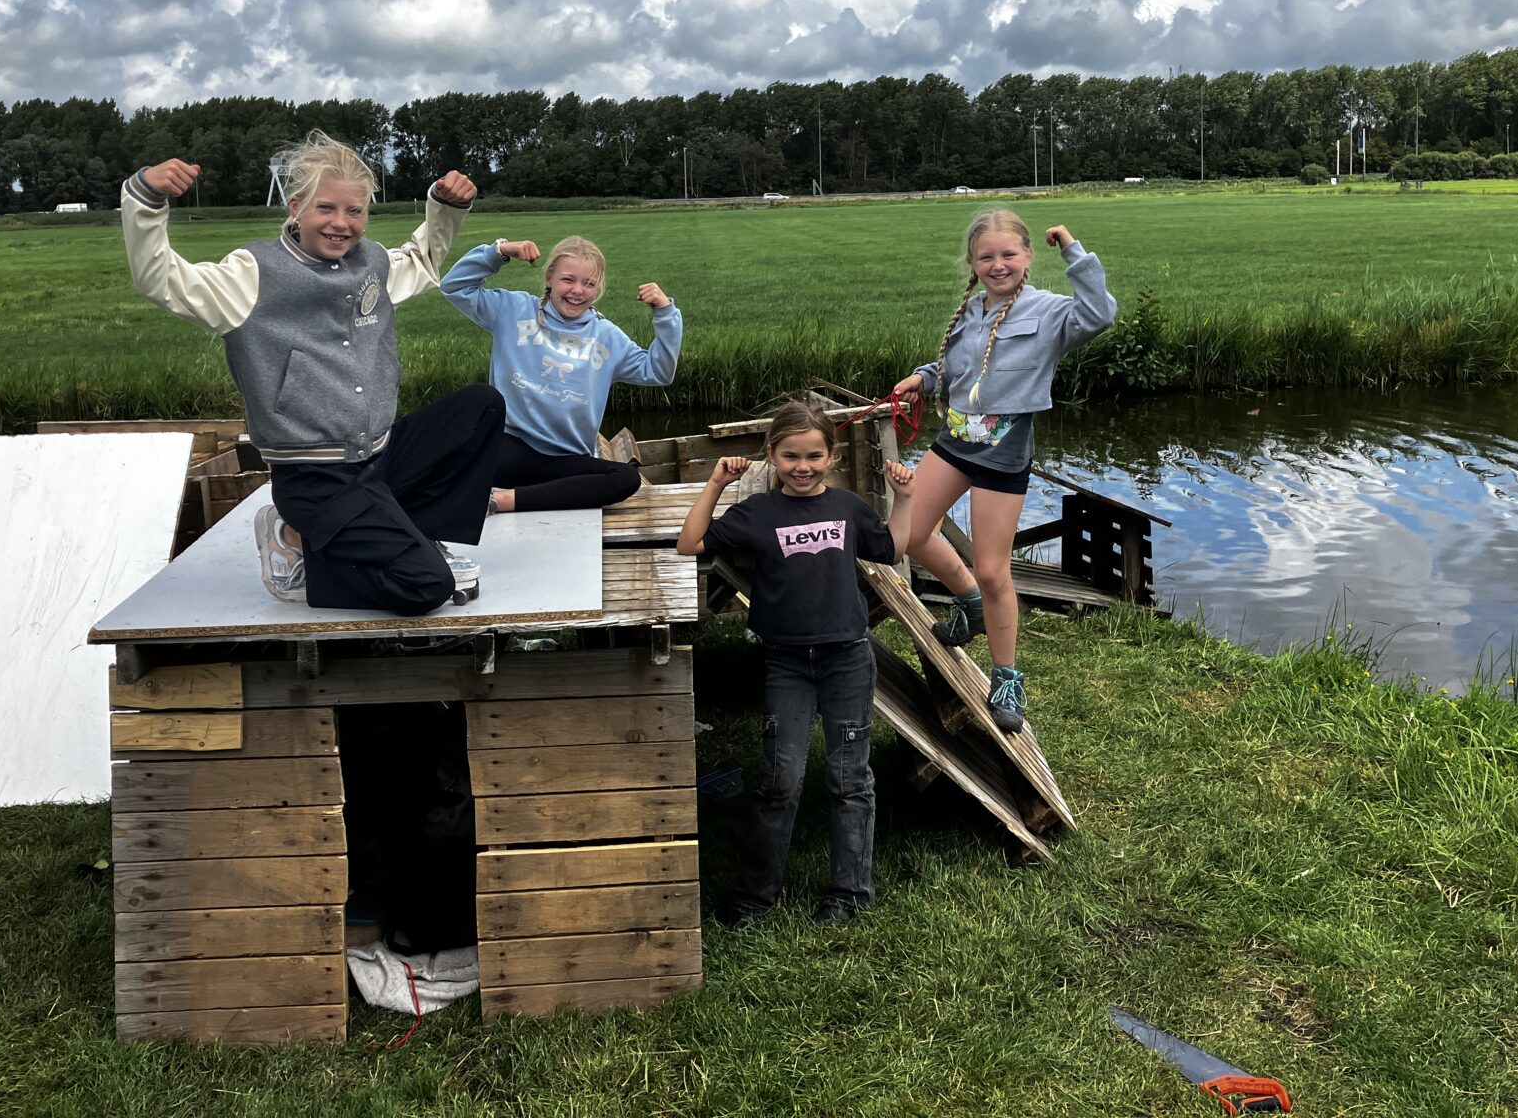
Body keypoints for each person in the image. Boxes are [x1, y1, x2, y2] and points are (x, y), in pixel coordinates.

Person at [122, 131, 503, 616]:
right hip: (317, 479)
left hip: (378, 459)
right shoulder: (251, 273)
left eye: (355, 212)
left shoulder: (373, 263)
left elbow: (422, 262)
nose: (341, 224)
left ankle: (418, 531)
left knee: (480, 406)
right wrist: (146, 199)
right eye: (326, 209)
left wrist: (444, 208)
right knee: (429, 587)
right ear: (297, 206)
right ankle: (296, 545)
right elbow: (162, 281)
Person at [677, 401, 914, 924]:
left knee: (850, 778)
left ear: (830, 457)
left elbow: (894, 549)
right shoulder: (757, 515)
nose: (802, 467)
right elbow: (690, 542)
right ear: (772, 456)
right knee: (779, 779)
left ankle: (849, 893)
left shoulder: (850, 507)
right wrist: (715, 484)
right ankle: (754, 897)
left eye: (813, 456)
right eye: (790, 457)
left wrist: (905, 498)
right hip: (786, 662)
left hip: (848, 659)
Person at [890, 208, 1116, 733]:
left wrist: (1075, 252)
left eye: (1009, 254)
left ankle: (1008, 676)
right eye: (987, 256)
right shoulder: (970, 312)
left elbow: (1100, 314)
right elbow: (954, 369)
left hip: (1003, 457)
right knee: (907, 534)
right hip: (955, 442)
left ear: (1029, 257)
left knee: (994, 570)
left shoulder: (1051, 313)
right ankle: (967, 604)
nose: (999, 265)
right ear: (972, 261)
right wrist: (923, 380)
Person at [439, 235, 680, 513]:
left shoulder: (607, 336)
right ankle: (524, 495)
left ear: (598, 288)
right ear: (549, 278)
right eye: (568, 279)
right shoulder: (513, 309)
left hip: (566, 460)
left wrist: (665, 313)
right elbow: (455, 287)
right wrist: (500, 251)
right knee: (455, 446)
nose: (578, 290)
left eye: (589, 283)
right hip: (508, 448)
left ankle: (502, 501)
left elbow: (658, 371)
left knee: (625, 478)